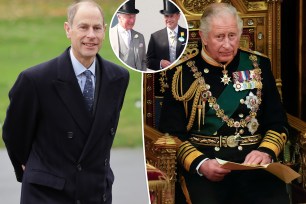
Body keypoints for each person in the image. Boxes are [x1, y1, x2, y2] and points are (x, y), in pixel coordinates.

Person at [158, 3, 290, 204]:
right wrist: (200, 164)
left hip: (254, 164)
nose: (227, 44)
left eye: (232, 35)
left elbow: (277, 121)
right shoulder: (181, 74)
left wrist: (265, 152)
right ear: (203, 37)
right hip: (207, 166)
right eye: (219, 37)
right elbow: (171, 133)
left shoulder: (259, 66)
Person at [2, 1, 129, 203]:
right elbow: (14, 134)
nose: (91, 35)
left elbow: (101, 137)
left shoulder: (118, 77)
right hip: (47, 195)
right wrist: (33, 167)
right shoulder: (36, 80)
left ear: (105, 31)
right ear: (68, 30)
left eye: (97, 28)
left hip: (96, 192)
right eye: (83, 27)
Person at [146, 0, 187, 71]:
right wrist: (160, 63)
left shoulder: (186, 33)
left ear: (178, 16)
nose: (169, 19)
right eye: (166, 16)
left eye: (171, 16)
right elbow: (148, 61)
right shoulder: (155, 36)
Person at [109, 0, 146, 71]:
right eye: (129, 17)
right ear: (119, 17)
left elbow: (144, 61)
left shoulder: (140, 36)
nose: (132, 21)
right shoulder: (111, 34)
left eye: (134, 16)